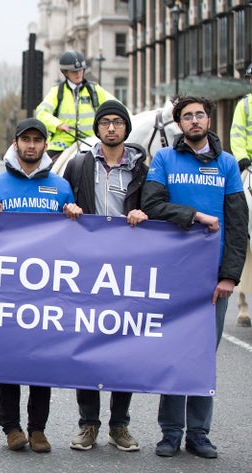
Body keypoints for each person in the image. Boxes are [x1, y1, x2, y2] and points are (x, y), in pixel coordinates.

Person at [141, 96, 248, 459]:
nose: (195, 120)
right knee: (174, 353)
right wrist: (195, 216)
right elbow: (152, 205)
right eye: (187, 116)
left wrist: (230, 276)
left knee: (202, 356)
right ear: (180, 124)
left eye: (200, 114)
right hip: (174, 275)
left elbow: (237, 222)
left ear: (208, 119)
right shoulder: (164, 159)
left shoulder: (227, 164)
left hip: (212, 280)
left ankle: (199, 433)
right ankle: (170, 432)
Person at [0, 118, 74, 453]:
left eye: (37, 140)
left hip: (47, 287)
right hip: (8, 288)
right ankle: (12, 427)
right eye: (25, 140)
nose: (31, 146)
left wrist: (74, 214)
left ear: (45, 145)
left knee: (42, 359)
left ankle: (38, 428)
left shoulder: (60, 187)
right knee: (10, 357)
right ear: (15, 144)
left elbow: (74, 240)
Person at [61, 100, 148, 452]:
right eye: (105, 123)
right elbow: (62, 204)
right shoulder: (79, 164)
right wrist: (68, 208)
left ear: (126, 129)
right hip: (89, 268)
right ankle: (88, 424)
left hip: (128, 268)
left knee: (122, 349)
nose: (111, 128)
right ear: (97, 129)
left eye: (117, 122)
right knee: (88, 347)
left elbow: (157, 204)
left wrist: (146, 212)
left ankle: (120, 425)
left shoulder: (143, 168)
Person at [35, 50, 119, 160]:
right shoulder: (57, 92)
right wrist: (58, 124)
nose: (78, 74)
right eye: (74, 71)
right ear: (65, 73)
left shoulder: (95, 90)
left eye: (80, 70)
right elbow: (41, 112)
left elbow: (118, 108)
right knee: (43, 167)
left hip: (92, 142)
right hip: (63, 143)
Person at [230, 62, 252, 172]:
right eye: (251, 78)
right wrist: (242, 157)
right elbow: (237, 135)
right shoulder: (244, 104)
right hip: (249, 165)